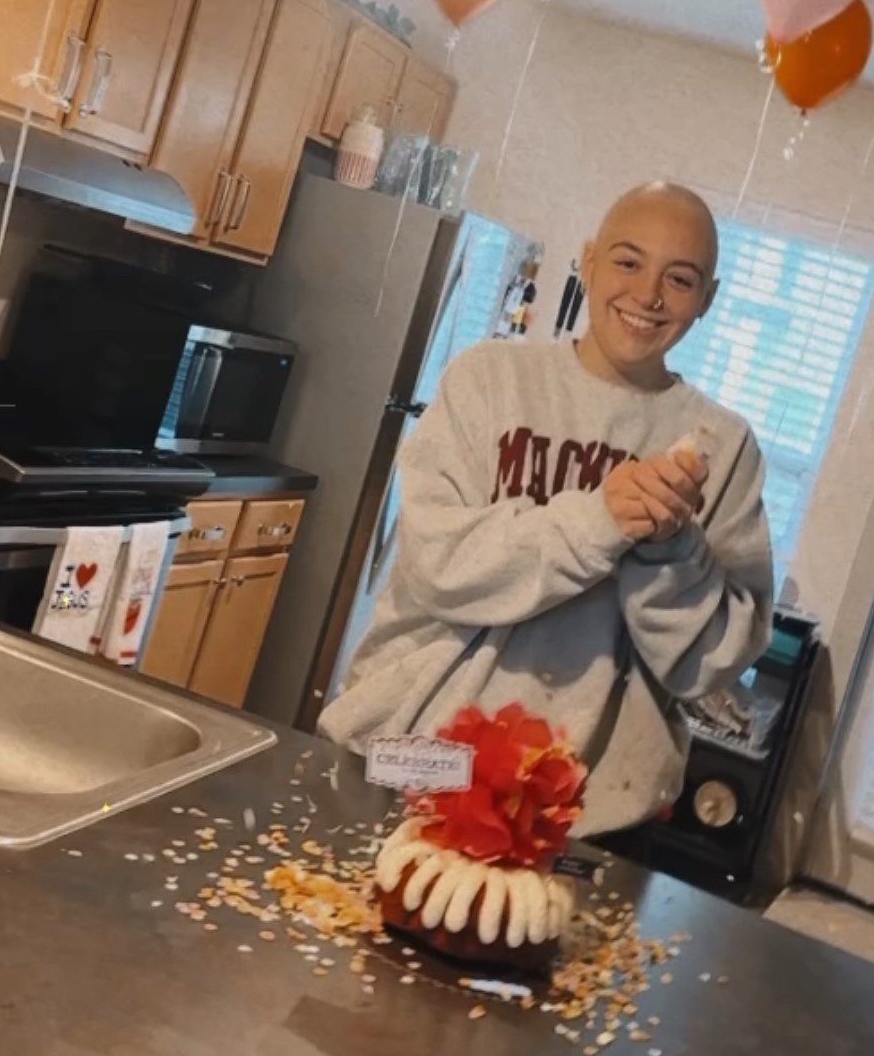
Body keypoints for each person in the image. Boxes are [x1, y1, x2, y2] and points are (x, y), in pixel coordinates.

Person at [321, 182, 774, 833]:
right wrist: (600, 521)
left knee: (531, 934)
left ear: (708, 298)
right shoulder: (487, 378)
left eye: (679, 278)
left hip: (588, 802)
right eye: (627, 261)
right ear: (587, 262)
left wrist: (672, 547)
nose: (648, 294)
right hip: (420, 751)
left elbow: (709, 662)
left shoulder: (723, 447)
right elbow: (437, 564)